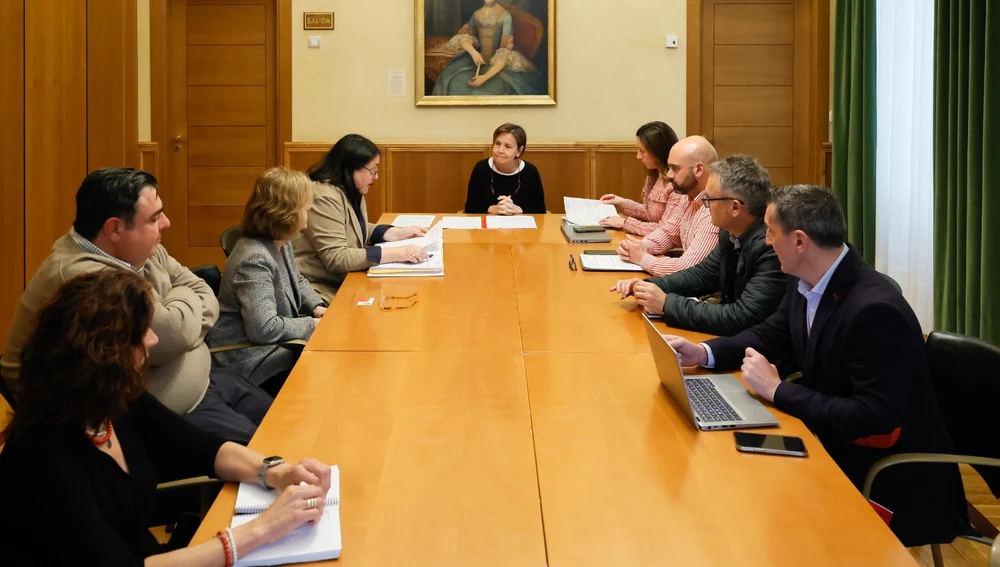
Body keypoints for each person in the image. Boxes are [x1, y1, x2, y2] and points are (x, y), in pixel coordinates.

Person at [664, 185, 966, 546]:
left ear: (800, 241)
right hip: (832, 438)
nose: (766, 242)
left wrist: (777, 390)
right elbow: (771, 334)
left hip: (890, 476)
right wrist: (703, 353)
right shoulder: (805, 277)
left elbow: (871, 417)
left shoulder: (875, 311)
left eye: (771, 232)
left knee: (751, 515)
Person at [0, 270, 334, 565]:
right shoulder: (44, 455)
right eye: (143, 331)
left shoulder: (116, 402)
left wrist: (277, 472)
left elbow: (204, 448)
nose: (154, 339)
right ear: (107, 354)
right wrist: (261, 529)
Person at [1, 167, 271, 444]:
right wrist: (182, 323)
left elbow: (201, 289)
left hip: (202, 383)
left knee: (287, 424)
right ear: (115, 228)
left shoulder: (135, 249)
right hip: (142, 418)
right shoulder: (87, 278)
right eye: (154, 218)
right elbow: (170, 337)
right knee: (271, 453)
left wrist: (180, 323)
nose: (166, 223)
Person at [611, 154, 786, 335]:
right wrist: (648, 286)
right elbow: (702, 275)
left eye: (709, 200)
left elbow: (742, 317)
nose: (705, 206)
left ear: (735, 207)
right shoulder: (730, 232)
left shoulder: (771, 247)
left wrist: (666, 304)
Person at [207, 168, 326, 395]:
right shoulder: (254, 259)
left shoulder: (281, 240)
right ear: (287, 212)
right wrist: (313, 325)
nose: (310, 208)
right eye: (305, 204)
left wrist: (317, 307)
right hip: (251, 360)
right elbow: (264, 330)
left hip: (275, 347)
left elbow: (296, 279)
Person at [294, 134, 430, 301]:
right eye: (372, 171)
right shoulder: (323, 196)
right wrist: (397, 253)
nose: (376, 177)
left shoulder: (350, 189)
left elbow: (352, 229)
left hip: (343, 281)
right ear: (352, 168)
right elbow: (337, 258)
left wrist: (395, 233)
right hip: (318, 290)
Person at [617, 135, 720, 277]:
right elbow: (669, 233)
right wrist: (642, 246)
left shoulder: (714, 208)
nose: (669, 175)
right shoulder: (688, 196)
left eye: (675, 168)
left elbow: (686, 269)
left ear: (698, 169)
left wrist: (642, 258)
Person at [430, 0, 546, 96]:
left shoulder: (505, 15)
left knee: (481, 91)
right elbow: (463, 37)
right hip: (478, 63)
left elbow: (505, 52)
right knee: (452, 81)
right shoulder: (477, 14)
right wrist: (474, 53)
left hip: (498, 67)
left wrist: (484, 78)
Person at [598, 121, 679, 236]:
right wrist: (622, 203)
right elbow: (651, 214)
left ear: (658, 151)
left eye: (642, 151)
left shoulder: (678, 183)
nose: (638, 156)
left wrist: (625, 223)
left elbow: (666, 230)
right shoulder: (654, 175)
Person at [464, 123, 546, 215]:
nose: (500, 151)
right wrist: (491, 209)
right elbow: (470, 207)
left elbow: (540, 210)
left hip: (519, 223)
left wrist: (518, 209)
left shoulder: (530, 171)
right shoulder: (481, 168)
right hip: (489, 222)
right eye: (497, 144)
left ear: (519, 151)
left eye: (508, 146)